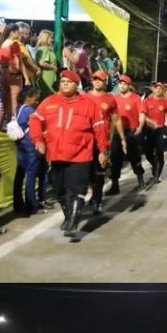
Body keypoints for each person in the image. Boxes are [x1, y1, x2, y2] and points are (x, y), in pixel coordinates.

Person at [29, 69, 108, 236]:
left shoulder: (88, 104)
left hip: (80, 155)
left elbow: (100, 128)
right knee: (60, 189)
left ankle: (73, 222)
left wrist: (102, 150)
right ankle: (69, 216)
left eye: (69, 81)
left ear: (76, 85)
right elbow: (35, 119)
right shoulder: (49, 101)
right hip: (56, 154)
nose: (65, 83)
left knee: (76, 188)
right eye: (63, 81)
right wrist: (38, 140)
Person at [85, 70, 125, 215]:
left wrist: (122, 138)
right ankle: (94, 194)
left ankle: (97, 199)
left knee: (99, 172)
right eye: (95, 79)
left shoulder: (110, 99)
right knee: (87, 173)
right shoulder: (84, 97)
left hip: (102, 142)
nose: (97, 81)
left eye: (100, 79)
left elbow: (116, 119)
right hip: (86, 142)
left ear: (105, 82)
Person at [110, 75, 146, 194]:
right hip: (117, 132)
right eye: (120, 84)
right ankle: (115, 185)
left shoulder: (136, 98)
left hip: (131, 132)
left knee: (134, 157)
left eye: (124, 84)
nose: (122, 86)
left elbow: (141, 114)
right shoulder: (114, 98)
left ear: (129, 86)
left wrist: (140, 127)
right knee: (115, 158)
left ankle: (140, 178)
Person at [141, 82, 167, 186]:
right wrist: (149, 123)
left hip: (161, 130)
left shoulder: (165, 103)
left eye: (160, 88)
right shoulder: (147, 101)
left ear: (162, 90)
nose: (158, 90)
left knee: (159, 153)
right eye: (156, 88)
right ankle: (155, 165)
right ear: (153, 89)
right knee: (147, 152)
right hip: (149, 130)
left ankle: (156, 176)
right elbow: (143, 115)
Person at [12, 88, 43, 216]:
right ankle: (32, 205)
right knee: (31, 176)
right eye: (35, 97)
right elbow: (40, 120)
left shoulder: (18, 109)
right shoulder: (30, 111)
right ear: (28, 98)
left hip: (20, 145)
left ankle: (18, 204)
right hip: (30, 146)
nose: (37, 100)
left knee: (19, 175)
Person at [34, 30, 58, 100]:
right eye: (51, 38)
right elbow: (41, 63)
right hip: (46, 78)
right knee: (47, 98)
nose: (52, 40)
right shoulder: (45, 49)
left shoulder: (41, 48)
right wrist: (53, 67)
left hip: (45, 78)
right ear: (46, 38)